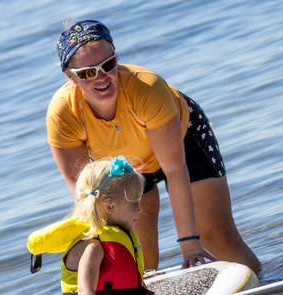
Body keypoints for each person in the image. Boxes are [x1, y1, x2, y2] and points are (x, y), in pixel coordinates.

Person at [47, 19, 261, 273]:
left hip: (184, 140)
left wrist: (189, 243)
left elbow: (175, 170)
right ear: (70, 76)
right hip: (123, 167)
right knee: (140, 259)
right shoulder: (63, 113)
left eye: (108, 65)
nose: (101, 77)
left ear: (117, 59)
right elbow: (83, 195)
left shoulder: (147, 87)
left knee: (217, 237)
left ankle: (267, 285)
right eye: (87, 73)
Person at [28, 156, 249, 295]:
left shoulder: (116, 237)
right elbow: (85, 292)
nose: (140, 209)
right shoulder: (93, 246)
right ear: (110, 206)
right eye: (134, 203)